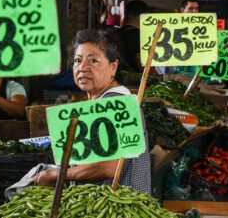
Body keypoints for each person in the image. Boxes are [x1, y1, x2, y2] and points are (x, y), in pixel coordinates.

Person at [31, 29, 151, 194]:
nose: (83, 67)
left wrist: (57, 175)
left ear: (113, 67)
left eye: (93, 61)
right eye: (78, 60)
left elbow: (109, 167)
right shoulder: (103, 101)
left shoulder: (115, 103)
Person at [118, 0, 150, 73]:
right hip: (133, 82)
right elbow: (143, 66)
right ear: (143, 17)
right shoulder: (139, 36)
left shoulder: (116, 33)